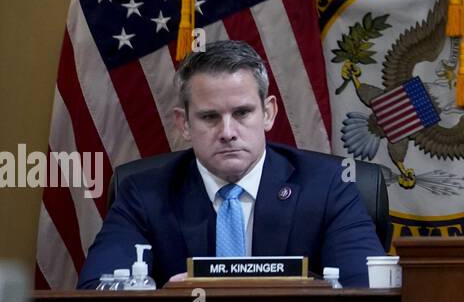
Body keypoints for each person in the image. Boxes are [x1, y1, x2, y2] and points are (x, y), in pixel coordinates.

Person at [77, 40, 384, 288]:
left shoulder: (328, 185)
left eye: (242, 113)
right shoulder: (143, 194)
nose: (227, 133)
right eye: (210, 117)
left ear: (268, 113)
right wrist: (164, 301)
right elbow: (95, 291)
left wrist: (296, 289)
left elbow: (367, 294)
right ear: (184, 123)